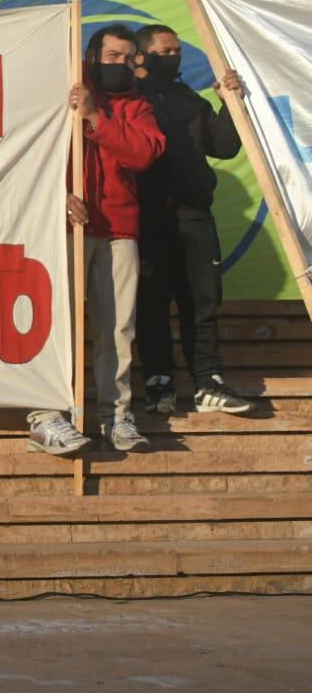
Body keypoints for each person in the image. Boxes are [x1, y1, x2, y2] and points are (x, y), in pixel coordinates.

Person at [28, 25, 165, 456]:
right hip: (64, 227)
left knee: (117, 329)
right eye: (111, 57)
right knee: (56, 324)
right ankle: (48, 412)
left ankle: (116, 416)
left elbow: (143, 153)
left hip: (119, 229)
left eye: (127, 58)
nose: (120, 65)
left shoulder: (137, 106)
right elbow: (31, 154)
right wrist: (57, 195)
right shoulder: (60, 95)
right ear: (90, 56)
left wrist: (94, 118)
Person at [132, 24, 254, 416]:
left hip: (196, 216)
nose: (174, 58)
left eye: (177, 51)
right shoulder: (131, 100)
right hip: (149, 219)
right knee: (152, 303)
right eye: (165, 52)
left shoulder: (188, 98)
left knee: (202, 301)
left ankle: (208, 382)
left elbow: (223, 145)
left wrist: (228, 103)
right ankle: (159, 382)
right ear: (141, 57)